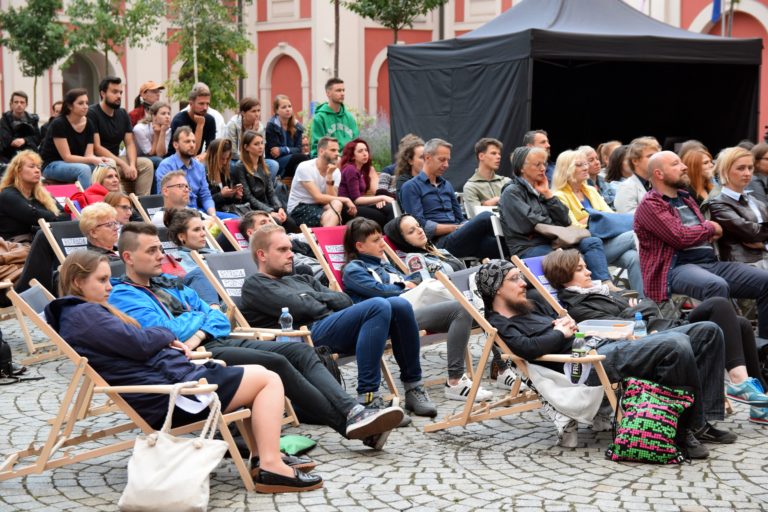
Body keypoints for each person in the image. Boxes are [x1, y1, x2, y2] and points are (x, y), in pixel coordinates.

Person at [108, 222, 404, 448]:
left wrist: (198, 326)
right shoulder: (125, 295)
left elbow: (219, 317)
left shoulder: (171, 285)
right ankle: (351, 422)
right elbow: (166, 332)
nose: (160, 256)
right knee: (274, 363)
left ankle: (353, 410)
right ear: (128, 258)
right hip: (193, 358)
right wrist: (201, 322)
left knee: (301, 351)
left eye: (160, 249)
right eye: (151, 251)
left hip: (214, 341)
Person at [48, 250, 323, 493]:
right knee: (268, 379)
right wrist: (165, 333)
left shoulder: (82, 314)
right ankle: (271, 466)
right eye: (102, 280)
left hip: (170, 384)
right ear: (77, 282)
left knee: (257, 373)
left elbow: (135, 344)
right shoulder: (86, 315)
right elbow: (140, 343)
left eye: (109, 279)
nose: (109, 287)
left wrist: (160, 340)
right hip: (170, 396)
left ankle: (263, 455)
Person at [475, 259, 731, 456]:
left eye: (521, 277)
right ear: (497, 289)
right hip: (588, 365)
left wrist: (566, 325)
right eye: (514, 279)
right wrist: (558, 331)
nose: (523, 283)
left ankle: (700, 421)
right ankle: (680, 431)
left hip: (602, 345)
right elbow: (527, 349)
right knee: (675, 343)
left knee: (708, 332)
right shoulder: (500, 322)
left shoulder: (527, 307)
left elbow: (565, 325)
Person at [542, 249, 768, 425]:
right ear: (564, 276)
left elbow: (646, 304)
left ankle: (759, 400)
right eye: (581, 269)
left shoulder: (600, 292)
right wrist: (634, 310)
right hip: (656, 338)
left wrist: (636, 309)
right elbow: (623, 324)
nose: (589, 272)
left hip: (664, 326)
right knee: (719, 305)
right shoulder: (578, 306)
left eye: (586, 267)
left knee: (741, 324)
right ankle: (739, 381)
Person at [241, 223, 437, 418]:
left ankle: (413, 388)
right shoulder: (254, 284)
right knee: (378, 305)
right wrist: (320, 301)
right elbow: (301, 308)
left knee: (399, 305)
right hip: (304, 339)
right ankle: (368, 398)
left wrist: (312, 299)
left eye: (290, 249)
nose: (291, 254)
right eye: (282, 250)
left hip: (330, 327)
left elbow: (344, 300)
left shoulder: (302, 279)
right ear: (262, 255)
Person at [342, 217, 492, 402]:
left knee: (461, 310)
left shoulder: (384, 265)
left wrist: (409, 283)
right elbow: (378, 292)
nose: (383, 243)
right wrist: (405, 286)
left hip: (409, 311)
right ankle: (479, 299)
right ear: (360, 246)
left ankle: (456, 380)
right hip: (387, 318)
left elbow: (413, 279)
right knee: (432, 286)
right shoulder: (354, 269)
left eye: (381, 238)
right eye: (376, 240)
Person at [634, 150, 768, 339]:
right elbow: (680, 237)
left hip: (708, 263)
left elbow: (693, 234)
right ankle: (727, 356)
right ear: (659, 174)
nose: (684, 167)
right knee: (715, 285)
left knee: (765, 281)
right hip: (674, 268)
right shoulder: (651, 204)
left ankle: (762, 349)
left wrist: (704, 230)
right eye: (675, 164)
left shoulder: (686, 198)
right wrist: (710, 228)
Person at [498, 146, 618, 290]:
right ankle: (588, 294)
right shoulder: (511, 192)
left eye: (544, 164)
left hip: (553, 241)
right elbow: (528, 224)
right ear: (522, 168)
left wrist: (548, 195)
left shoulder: (540, 189)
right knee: (571, 259)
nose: (543, 168)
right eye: (538, 164)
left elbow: (564, 220)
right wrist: (552, 224)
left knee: (592, 242)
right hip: (529, 247)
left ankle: (606, 285)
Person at [551, 149, 642, 294]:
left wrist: (592, 219)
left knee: (635, 258)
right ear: (566, 169)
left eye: (586, 164)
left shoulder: (590, 190)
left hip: (609, 241)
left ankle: (643, 304)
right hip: (587, 250)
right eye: (579, 165)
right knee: (635, 233)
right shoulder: (559, 196)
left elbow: (611, 217)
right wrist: (597, 219)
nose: (586, 167)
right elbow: (574, 228)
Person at [400, 138, 499, 260]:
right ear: (427, 158)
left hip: (460, 239)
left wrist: (464, 227)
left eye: (447, 160)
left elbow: (459, 218)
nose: (446, 165)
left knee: (502, 244)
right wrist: (456, 228)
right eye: (442, 160)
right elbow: (420, 226)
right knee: (487, 216)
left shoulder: (447, 185)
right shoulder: (411, 187)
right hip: (437, 244)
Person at [87, 76, 154, 196]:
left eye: (120, 92)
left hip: (116, 158)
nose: (119, 96)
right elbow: (97, 148)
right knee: (114, 169)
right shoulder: (92, 113)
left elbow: (130, 143)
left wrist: (132, 165)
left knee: (146, 164)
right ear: (103, 93)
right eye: (114, 92)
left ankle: (141, 204)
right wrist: (123, 165)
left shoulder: (122, 113)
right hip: (101, 161)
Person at [707, 146, 768, 269]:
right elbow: (752, 233)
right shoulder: (718, 204)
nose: (747, 173)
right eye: (741, 168)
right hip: (744, 265)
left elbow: (756, 233)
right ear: (725, 170)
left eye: (750, 168)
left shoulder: (756, 202)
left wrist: (763, 245)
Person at [39, 88, 111, 188]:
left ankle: (108, 199)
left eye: (86, 103)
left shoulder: (89, 123)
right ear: (69, 106)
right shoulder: (59, 123)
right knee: (84, 169)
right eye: (81, 103)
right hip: (51, 165)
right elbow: (67, 157)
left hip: (77, 163)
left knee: (108, 165)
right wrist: (93, 160)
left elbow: (88, 155)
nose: (85, 106)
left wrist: (100, 159)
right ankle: (87, 201)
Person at [233, 131, 297, 232]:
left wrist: (279, 209)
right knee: (277, 222)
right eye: (256, 144)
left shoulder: (263, 165)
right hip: (251, 210)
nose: (261, 147)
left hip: (266, 206)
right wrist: (269, 212)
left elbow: (271, 192)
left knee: (291, 223)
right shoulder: (239, 167)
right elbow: (248, 197)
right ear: (246, 147)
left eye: (262, 143)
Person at [286, 136, 356, 227]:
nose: (337, 154)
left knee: (337, 204)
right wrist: (346, 199)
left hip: (319, 206)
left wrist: (329, 177)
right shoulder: (305, 167)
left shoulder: (335, 172)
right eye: (333, 150)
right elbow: (318, 197)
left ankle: (325, 237)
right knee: (333, 215)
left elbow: (332, 198)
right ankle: (328, 238)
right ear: (321, 151)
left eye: (338, 150)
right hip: (299, 208)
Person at [0, 150, 68, 242]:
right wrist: (54, 218)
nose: (37, 170)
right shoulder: (7, 194)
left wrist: (45, 221)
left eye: (39, 167)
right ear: (17, 170)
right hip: (16, 245)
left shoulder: (43, 194)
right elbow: (33, 215)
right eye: (32, 167)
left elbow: (65, 216)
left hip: (40, 241)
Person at [155, 127, 217, 218]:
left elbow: (206, 196)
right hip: (176, 213)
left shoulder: (199, 167)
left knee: (233, 220)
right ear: (176, 145)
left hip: (198, 212)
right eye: (187, 142)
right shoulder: (166, 165)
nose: (192, 145)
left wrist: (213, 216)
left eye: (193, 141)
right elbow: (163, 196)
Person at [163, 207, 220, 304]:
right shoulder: (173, 259)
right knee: (200, 274)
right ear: (181, 236)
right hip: (203, 304)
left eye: (203, 229)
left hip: (230, 300)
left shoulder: (214, 253)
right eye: (196, 230)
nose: (203, 234)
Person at [337, 138, 395, 228]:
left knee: (389, 207)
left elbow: (376, 190)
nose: (365, 153)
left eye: (366, 150)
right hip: (349, 209)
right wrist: (382, 197)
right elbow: (356, 199)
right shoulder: (350, 169)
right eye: (360, 151)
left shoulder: (361, 170)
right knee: (381, 216)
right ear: (352, 156)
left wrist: (380, 199)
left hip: (358, 206)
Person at [310, 78, 358, 156]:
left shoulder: (349, 117)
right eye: (338, 90)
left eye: (343, 90)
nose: (342, 93)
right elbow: (318, 149)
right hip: (329, 161)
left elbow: (356, 143)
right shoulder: (320, 118)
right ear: (328, 93)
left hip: (349, 160)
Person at [462, 138, 510, 214]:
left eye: (499, 154)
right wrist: (489, 204)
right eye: (493, 153)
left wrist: (485, 205)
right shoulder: (470, 187)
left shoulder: (506, 182)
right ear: (481, 156)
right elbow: (475, 216)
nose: (499, 157)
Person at [265, 94, 308, 179]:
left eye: (289, 106)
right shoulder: (272, 126)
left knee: (300, 168)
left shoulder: (297, 126)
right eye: (284, 107)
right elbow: (274, 152)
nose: (288, 109)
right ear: (276, 111)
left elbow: (299, 149)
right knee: (304, 157)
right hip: (277, 162)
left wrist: (283, 150)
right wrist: (290, 150)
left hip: (293, 160)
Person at [614, 136, 660, 214]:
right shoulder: (626, 187)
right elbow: (628, 218)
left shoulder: (659, 182)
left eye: (657, 155)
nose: (656, 159)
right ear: (635, 161)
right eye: (650, 156)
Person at [168, 83, 216, 156]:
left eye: (207, 104)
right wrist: (200, 125)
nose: (205, 108)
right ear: (191, 104)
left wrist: (204, 156)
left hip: (196, 160)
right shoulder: (179, 120)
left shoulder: (210, 120)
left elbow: (211, 148)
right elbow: (192, 152)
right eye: (201, 104)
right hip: (176, 160)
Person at [0, 91, 41, 163]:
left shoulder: (33, 119)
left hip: (30, 153)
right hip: (9, 154)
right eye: (16, 102)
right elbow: (5, 138)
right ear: (11, 104)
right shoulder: (4, 119)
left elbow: (37, 138)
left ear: (26, 104)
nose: (19, 105)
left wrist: (24, 140)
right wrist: (15, 141)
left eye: (22, 102)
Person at [205, 138, 244, 214]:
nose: (225, 162)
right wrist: (221, 195)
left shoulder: (225, 172)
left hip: (227, 210)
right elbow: (203, 201)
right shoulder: (204, 173)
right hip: (213, 212)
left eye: (227, 159)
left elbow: (228, 201)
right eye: (222, 159)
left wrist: (235, 196)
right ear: (213, 157)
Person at [132, 100, 171, 170]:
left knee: (165, 161)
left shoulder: (167, 129)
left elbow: (160, 154)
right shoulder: (140, 129)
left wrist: (162, 132)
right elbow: (151, 153)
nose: (167, 116)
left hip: (152, 157)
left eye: (168, 113)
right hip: (135, 157)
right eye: (163, 114)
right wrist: (156, 134)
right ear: (154, 116)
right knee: (158, 161)